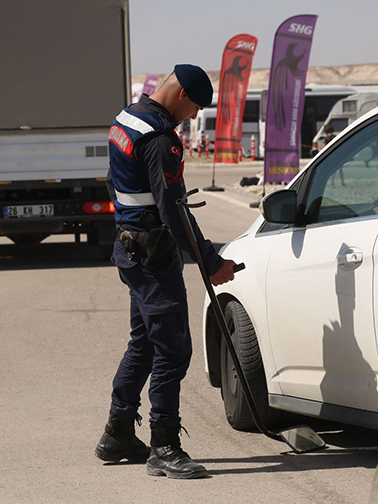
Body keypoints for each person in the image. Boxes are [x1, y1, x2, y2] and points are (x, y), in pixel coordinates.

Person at [95, 64, 237, 480]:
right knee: (172, 351)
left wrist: (128, 226)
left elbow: (113, 184)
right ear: (180, 96)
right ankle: (164, 446)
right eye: (194, 108)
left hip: (131, 250)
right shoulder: (160, 139)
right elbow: (175, 214)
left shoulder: (126, 119)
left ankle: (117, 434)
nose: (193, 117)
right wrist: (210, 262)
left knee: (144, 343)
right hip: (153, 256)